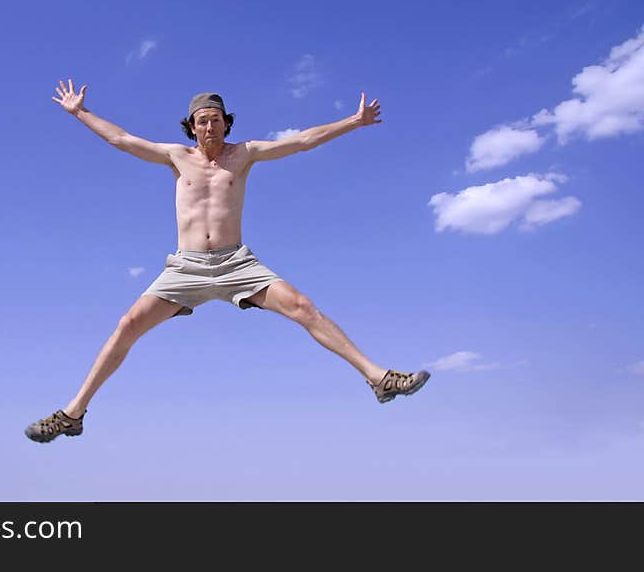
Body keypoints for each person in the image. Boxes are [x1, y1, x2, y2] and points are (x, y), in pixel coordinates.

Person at [25, 80, 430, 442]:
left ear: (226, 123)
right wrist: (80, 113)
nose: (209, 127)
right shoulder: (175, 156)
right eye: (202, 121)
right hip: (186, 267)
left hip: (237, 264)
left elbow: (302, 141)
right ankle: (72, 414)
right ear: (191, 126)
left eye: (216, 119)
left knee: (303, 307)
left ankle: (379, 378)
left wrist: (354, 122)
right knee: (128, 324)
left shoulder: (245, 154)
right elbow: (122, 140)